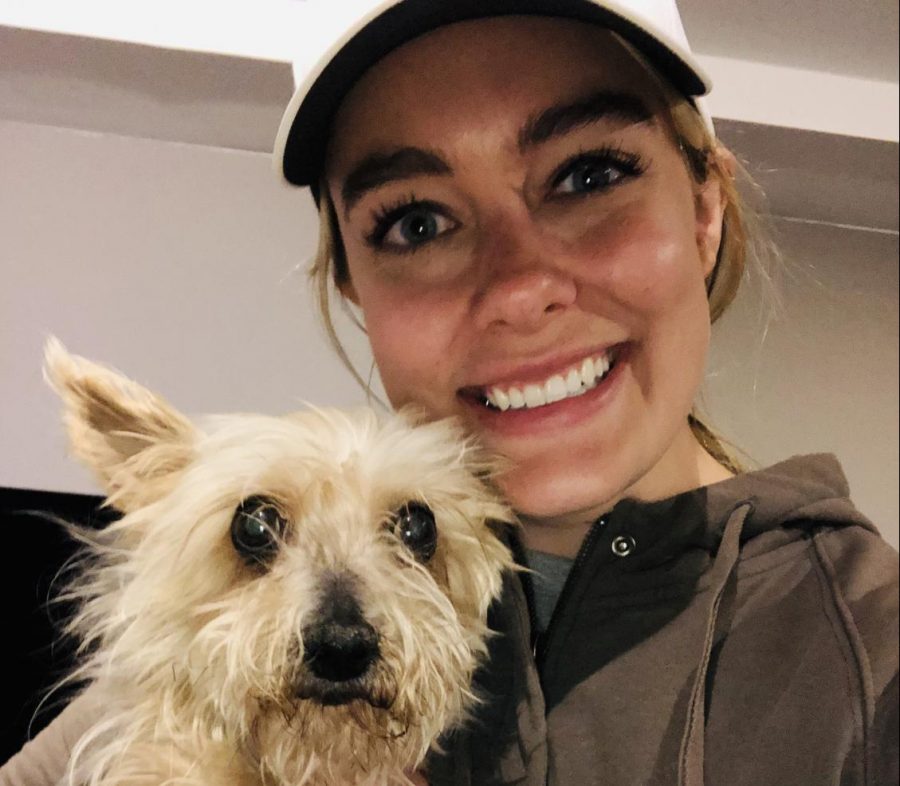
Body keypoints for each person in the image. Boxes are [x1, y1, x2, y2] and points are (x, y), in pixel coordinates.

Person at [3, 1, 897, 784]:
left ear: (705, 211)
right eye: (416, 221)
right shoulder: (199, 667)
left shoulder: (873, 652)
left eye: (589, 174)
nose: (518, 287)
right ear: (355, 284)